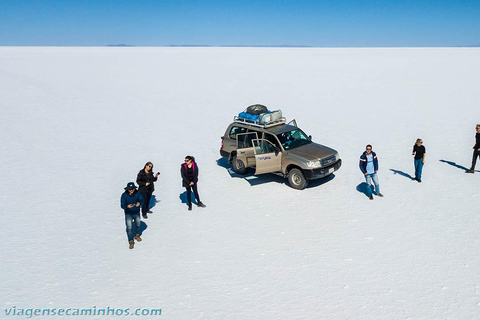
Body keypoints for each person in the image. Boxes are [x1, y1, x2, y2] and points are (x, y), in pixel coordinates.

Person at [120, 182, 144, 249]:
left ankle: (137, 235)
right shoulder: (124, 195)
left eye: (132, 189)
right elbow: (122, 205)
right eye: (130, 189)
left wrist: (139, 203)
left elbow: (142, 200)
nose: (131, 190)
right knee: (129, 227)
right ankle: (131, 240)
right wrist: (127, 206)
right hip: (128, 213)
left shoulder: (138, 193)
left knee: (138, 224)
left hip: (136, 212)